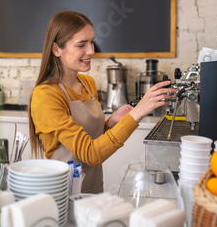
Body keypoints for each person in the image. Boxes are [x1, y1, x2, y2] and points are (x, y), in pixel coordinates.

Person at [28, 10, 174, 194]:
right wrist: (138, 113)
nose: (91, 51)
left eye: (91, 42)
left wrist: (111, 123)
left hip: (93, 189)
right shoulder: (46, 96)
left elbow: (91, 139)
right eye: (81, 45)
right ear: (57, 49)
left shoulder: (87, 83)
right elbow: (91, 154)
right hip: (62, 194)